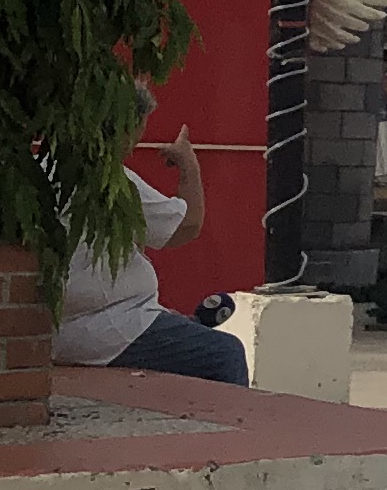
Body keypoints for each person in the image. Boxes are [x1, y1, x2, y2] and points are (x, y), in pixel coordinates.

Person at [56, 105, 249, 385]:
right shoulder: (104, 177)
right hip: (105, 327)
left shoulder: (45, 168)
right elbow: (187, 226)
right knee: (226, 353)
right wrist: (188, 165)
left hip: (87, 321)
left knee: (186, 332)